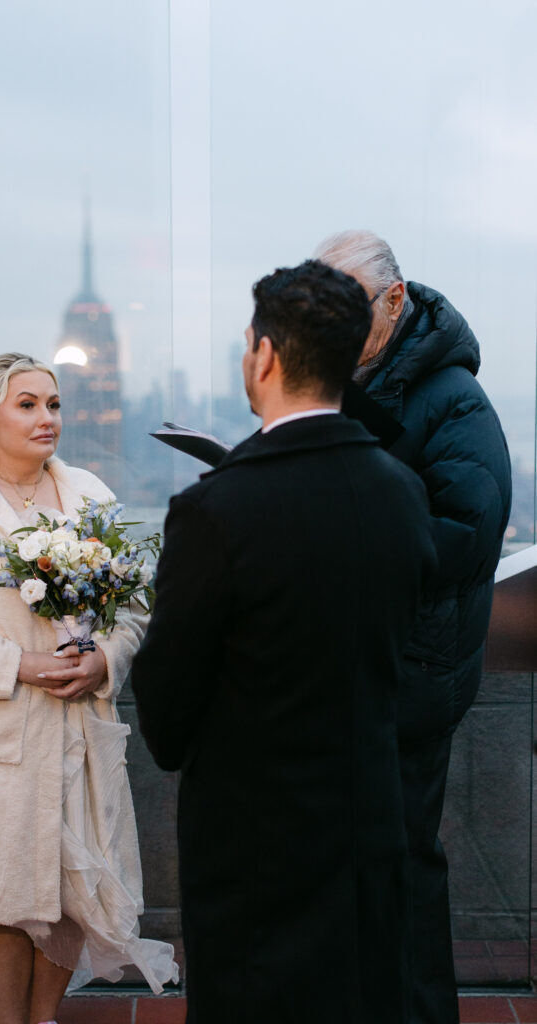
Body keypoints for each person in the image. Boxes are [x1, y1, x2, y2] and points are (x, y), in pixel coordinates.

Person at [132, 260, 437, 1024]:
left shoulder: (217, 508)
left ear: (264, 356)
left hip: (253, 846)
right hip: (369, 822)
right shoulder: (401, 493)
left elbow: (165, 711)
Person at [0, 353, 177, 1024]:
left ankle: (43, 1018)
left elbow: (135, 606)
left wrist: (104, 658)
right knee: (2, 896)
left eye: (52, 404)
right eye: (26, 404)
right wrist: (15, 663)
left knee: (75, 889)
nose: (46, 418)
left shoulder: (90, 497)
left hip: (77, 727)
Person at [314, 230, 512, 1024]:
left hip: (411, 671)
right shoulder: (350, 381)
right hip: (357, 664)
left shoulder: (451, 397)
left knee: (400, 862)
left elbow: (469, 533)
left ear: (393, 302)